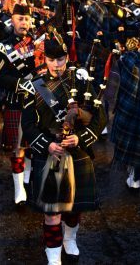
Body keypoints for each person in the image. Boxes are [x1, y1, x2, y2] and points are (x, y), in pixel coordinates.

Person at [21, 31, 106, 264]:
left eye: (60, 59)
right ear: (44, 59)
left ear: (67, 57)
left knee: (74, 207)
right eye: (51, 59)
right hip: (50, 151)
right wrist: (46, 145)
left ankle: (70, 238)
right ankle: (54, 257)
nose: (56, 65)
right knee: (52, 212)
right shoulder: (34, 85)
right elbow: (27, 124)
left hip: (76, 150)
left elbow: (100, 118)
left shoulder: (81, 80)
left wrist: (81, 139)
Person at [0, 3, 36, 204]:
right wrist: (21, 84)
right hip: (14, 102)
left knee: (32, 144)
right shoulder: (4, 47)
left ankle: (26, 177)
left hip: (34, 102)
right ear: (12, 20)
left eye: (27, 18)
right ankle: (19, 189)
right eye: (20, 18)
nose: (24, 22)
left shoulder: (37, 44)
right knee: (17, 146)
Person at [110, 31, 140, 192]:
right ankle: (135, 177)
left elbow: (113, 84)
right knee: (138, 144)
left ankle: (133, 174)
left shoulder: (123, 60)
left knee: (128, 141)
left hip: (127, 108)